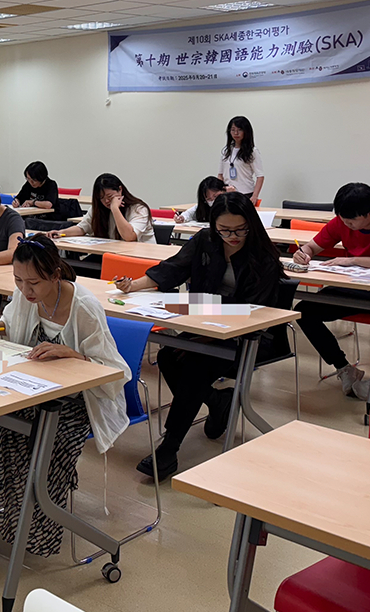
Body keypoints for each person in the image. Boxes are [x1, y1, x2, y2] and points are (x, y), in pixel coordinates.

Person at [0, 235, 130, 564]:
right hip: (28, 390)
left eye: (34, 283)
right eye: (18, 281)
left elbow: (113, 370)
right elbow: (12, 327)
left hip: (70, 405)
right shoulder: (26, 295)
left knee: (10, 432)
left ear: (55, 275)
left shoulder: (83, 307)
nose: (25, 291)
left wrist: (71, 353)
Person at [113, 193, 288, 481]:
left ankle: (169, 448)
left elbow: (254, 312)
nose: (233, 237)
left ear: (251, 224)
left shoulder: (264, 255)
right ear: (213, 225)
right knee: (169, 356)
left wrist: (202, 328)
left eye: (240, 229)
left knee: (195, 364)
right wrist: (133, 286)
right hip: (206, 324)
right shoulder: (205, 240)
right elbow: (173, 268)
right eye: (225, 230)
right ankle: (217, 401)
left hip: (251, 336)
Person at [292, 182, 370, 401]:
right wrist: (303, 253)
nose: (346, 224)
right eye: (343, 219)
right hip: (356, 289)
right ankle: (344, 368)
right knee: (305, 311)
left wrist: (353, 260)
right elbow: (312, 246)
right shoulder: (342, 221)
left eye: (351, 221)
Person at [47, 173, 155, 243]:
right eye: (101, 198)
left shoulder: (138, 209)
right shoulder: (99, 209)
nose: (106, 201)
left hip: (141, 256)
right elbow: (82, 228)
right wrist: (62, 232)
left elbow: (129, 236)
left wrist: (115, 209)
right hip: (113, 252)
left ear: (120, 189)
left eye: (110, 196)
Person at [218, 116, 264, 205]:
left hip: (245, 194)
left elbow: (260, 176)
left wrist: (255, 196)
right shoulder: (225, 151)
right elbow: (220, 175)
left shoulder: (252, 151)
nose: (236, 133)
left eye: (240, 130)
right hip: (228, 194)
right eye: (233, 130)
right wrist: (221, 190)